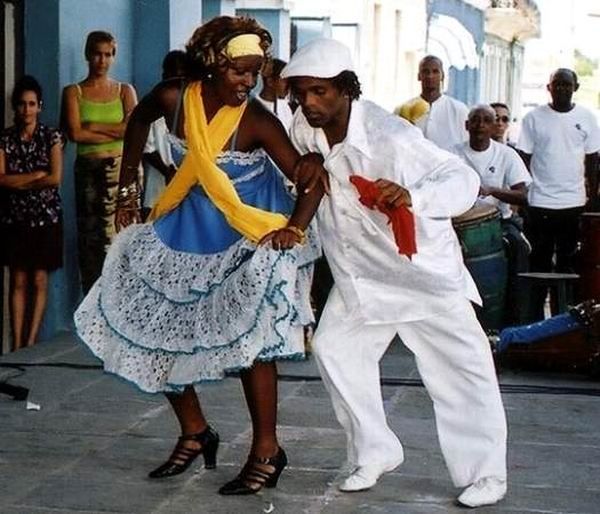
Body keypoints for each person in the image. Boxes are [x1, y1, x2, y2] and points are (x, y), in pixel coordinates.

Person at [74, 16, 325, 495]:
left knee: (253, 342)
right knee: (156, 327)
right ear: (212, 65)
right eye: (239, 72)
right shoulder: (173, 98)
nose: (248, 83)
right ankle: (194, 432)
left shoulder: (255, 120)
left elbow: (310, 180)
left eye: (255, 73)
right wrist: (128, 191)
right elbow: (138, 120)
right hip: (190, 222)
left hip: (249, 232)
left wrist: (294, 228)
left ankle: (268, 451)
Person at [282, 38, 508, 508]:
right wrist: (306, 163)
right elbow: (310, 167)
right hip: (360, 276)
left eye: (320, 92)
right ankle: (375, 449)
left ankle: (486, 474)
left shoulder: (392, 137)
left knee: (462, 373)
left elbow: (461, 180)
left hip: (420, 274)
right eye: (301, 93)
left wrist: (412, 196)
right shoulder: (306, 126)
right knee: (334, 350)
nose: (309, 102)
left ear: (346, 90)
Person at [518, 68, 600, 318]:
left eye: (566, 85)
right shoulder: (533, 118)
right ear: (549, 87)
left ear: (575, 87)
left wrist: (592, 199)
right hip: (540, 203)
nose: (561, 89)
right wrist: (524, 199)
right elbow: (524, 159)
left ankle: (563, 320)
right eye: (557, 84)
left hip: (573, 203)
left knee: (568, 265)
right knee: (539, 265)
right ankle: (534, 322)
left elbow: (592, 161)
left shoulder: (587, 118)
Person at [61, 30, 138, 293]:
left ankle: (120, 302)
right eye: (97, 54)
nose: (101, 60)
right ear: (87, 55)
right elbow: (75, 133)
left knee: (120, 237)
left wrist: (93, 125)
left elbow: (132, 130)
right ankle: (93, 304)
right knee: (91, 240)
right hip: (89, 172)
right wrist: (113, 127)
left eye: (107, 54)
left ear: (113, 57)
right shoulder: (74, 92)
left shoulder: (124, 91)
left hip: (120, 172)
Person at [0, 75, 64, 350]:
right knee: (18, 278)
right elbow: (1, 179)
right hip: (15, 217)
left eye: (31, 104)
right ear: (16, 108)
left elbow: (55, 178)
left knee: (39, 278)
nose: (26, 110)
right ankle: (16, 342)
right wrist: (35, 176)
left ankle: (31, 341)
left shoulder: (51, 136)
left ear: (40, 106)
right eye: (22, 105)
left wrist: (21, 180)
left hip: (46, 217)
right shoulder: (5, 138)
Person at [453, 104, 532, 325]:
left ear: (494, 126)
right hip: (457, 224)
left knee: (518, 248)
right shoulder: (451, 153)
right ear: (467, 125)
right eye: (475, 120)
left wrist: (492, 190)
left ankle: (514, 321)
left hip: (499, 223)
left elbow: (523, 196)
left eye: (486, 121)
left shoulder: (507, 155)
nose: (480, 125)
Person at [141, 50, 188, 219]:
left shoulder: (192, 108)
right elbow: (147, 149)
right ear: (164, 75)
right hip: (156, 188)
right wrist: (168, 171)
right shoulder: (153, 106)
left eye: (182, 77)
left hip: (185, 189)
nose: (177, 82)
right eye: (173, 75)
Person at [394, 55, 468, 152]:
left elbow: (467, 144)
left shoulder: (459, 109)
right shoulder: (402, 110)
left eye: (435, 71)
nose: (430, 76)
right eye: (425, 72)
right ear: (419, 76)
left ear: (443, 76)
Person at [255, 58, 294, 132]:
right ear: (270, 81)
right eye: (285, 81)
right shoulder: (254, 107)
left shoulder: (285, 107)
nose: (289, 86)